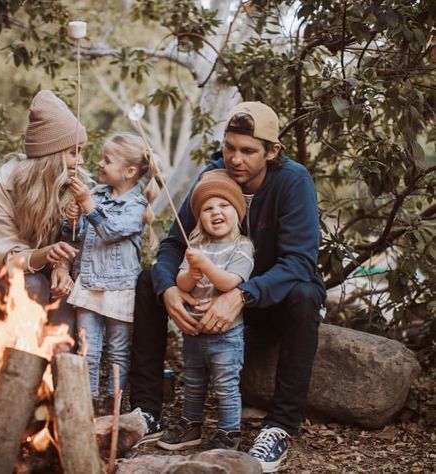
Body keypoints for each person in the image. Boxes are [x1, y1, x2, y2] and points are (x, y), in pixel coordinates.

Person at [128, 101, 325, 472]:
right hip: (210, 294)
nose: (235, 159)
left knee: (305, 293)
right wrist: (170, 290)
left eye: (248, 151)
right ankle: (147, 410)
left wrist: (242, 294)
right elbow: (174, 244)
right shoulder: (214, 174)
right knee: (149, 281)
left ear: (272, 151)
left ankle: (280, 425)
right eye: (229, 147)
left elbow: (299, 261)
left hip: (267, 298)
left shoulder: (292, 182)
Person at [0, 90, 88, 339]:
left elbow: (80, 240)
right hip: (10, 277)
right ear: (52, 155)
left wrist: (62, 264)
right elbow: (0, 260)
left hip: (57, 274)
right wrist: (46, 254)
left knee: (64, 333)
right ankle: (19, 374)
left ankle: (62, 373)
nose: (82, 162)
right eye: (73, 152)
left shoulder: (77, 184)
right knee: (33, 286)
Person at [156, 170, 254, 451]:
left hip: (226, 335)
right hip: (194, 332)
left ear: (237, 211)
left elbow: (230, 282)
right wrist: (193, 273)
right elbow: (182, 281)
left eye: (224, 205)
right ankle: (191, 424)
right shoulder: (195, 246)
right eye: (207, 208)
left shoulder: (243, 247)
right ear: (199, 217)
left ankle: (228, 432)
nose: (216, 212)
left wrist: (205, 266)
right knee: (193, 383)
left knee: (225, 386)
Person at [63, 132, 159, 409]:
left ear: (129, 171)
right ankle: (87, 403)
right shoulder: (96, 195)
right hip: (89, 282)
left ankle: (112, 404)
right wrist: (73, 219)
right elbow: (76, 236)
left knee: (117, 351)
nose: (99, 164)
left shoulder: (136, 206)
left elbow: (112, 231)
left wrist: (88, 206)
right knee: (87, 349)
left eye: (107, 160)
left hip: (119, 287)